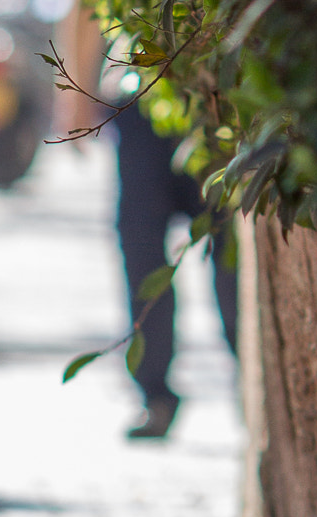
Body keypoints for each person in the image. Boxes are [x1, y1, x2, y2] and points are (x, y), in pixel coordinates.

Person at [55, 7, 238, 440]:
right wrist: (76, 98)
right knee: (141, 249)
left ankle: (251, 380)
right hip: (139, 101)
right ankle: (155, 395)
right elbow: (88, 8)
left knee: (230, 251)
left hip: (216, 98)